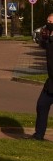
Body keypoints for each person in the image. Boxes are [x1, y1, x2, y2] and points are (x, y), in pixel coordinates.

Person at [27, 13, 53, 141]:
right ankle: (39, 135)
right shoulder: (49, 37)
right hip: (51, 82)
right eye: (47, 20)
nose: (48, 23)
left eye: (51, 21)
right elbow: (43, 44)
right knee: (42, 105)